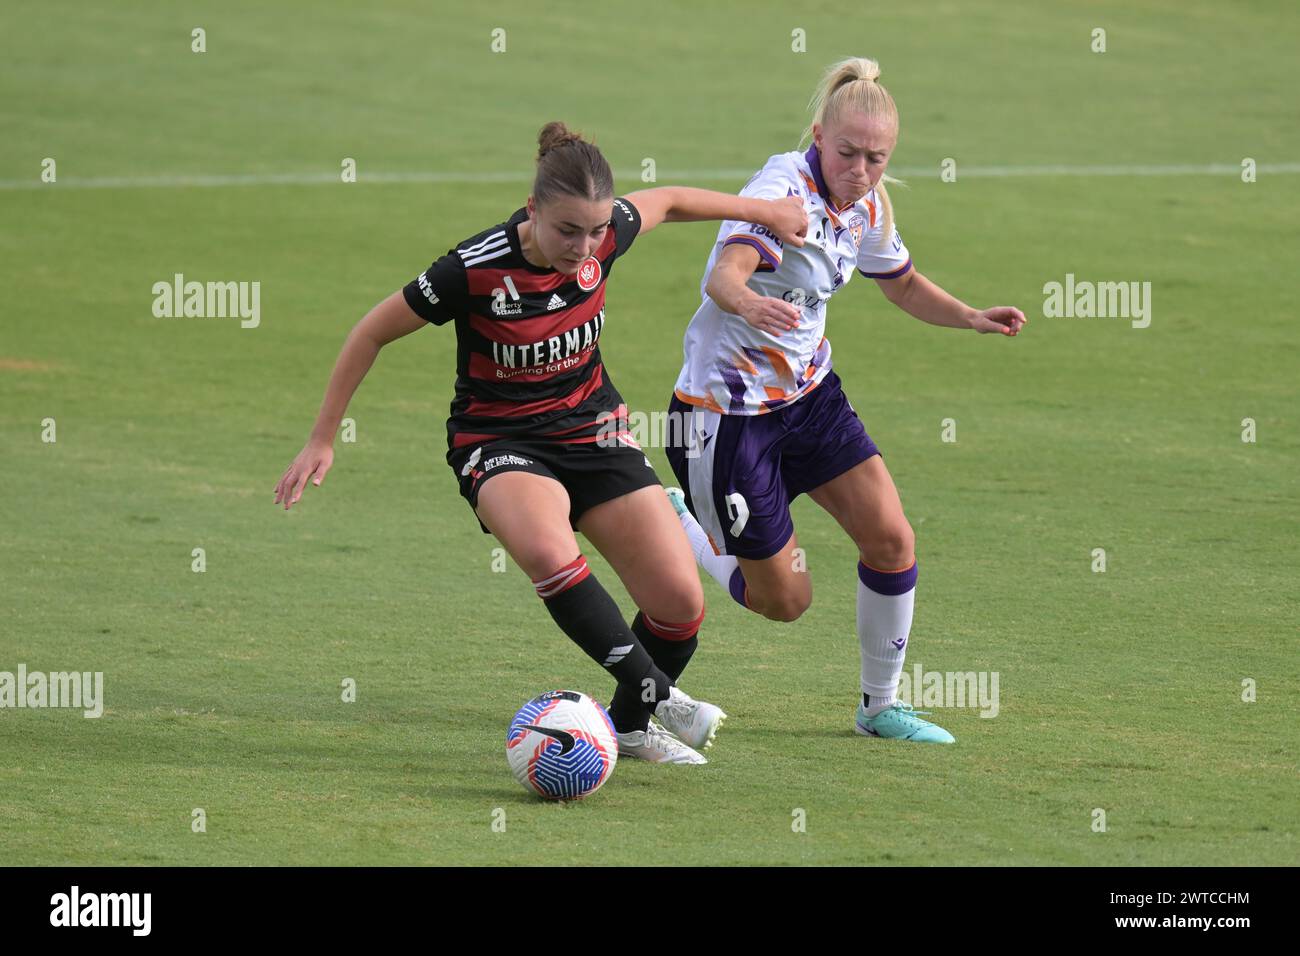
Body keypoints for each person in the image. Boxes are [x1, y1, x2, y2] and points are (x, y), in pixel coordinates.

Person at [274, 122, 807, 765]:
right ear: (532, 210)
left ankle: (632, 728)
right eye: (566, 231)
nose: (584, 248)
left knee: (679, 603)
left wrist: (763, 210)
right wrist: (322, 438)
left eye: (595, 231)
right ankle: (663, 696)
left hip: (593, 431)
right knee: (553, 555)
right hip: (499, 440)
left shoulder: (605, 236)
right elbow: (370, 333)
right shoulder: (470, 270)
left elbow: (666, 200)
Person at [665, 58, 1027, 744]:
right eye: (848, 154)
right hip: (726, 418)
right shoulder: (784, 195)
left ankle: (877, 707)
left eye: (877, 158)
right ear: (818, 137)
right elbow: (724, 276)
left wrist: (972, 316)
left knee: (892, 539)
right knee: (784, 601)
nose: (861, 170)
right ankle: (680, 520)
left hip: (809, 399)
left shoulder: (869, 203)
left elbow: (903, 283)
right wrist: (750, 304)